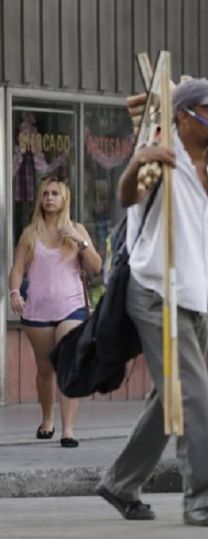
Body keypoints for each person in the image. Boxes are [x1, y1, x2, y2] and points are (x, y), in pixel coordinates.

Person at [95, 78, 208, 527]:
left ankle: (120, 482)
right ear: (184, 117)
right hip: (155, 292)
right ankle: (203, 497)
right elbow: (127, 196)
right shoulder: (161, 160)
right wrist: (138, 161)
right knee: (192, 392)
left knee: (169, 399)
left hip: (200, 297)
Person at [8, 176, 102, 449]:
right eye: (46, 194)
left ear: (64, 200)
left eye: (55, 194)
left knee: (68, 363)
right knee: (45, 369)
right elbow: (17, 269)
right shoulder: (30, 234)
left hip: (71, 308)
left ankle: (68, 431)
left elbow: (96, 268)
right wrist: (15, 292)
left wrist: (80, 243)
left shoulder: (77, 230)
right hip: (38, 310)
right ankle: (47, 418)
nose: (49, 198)